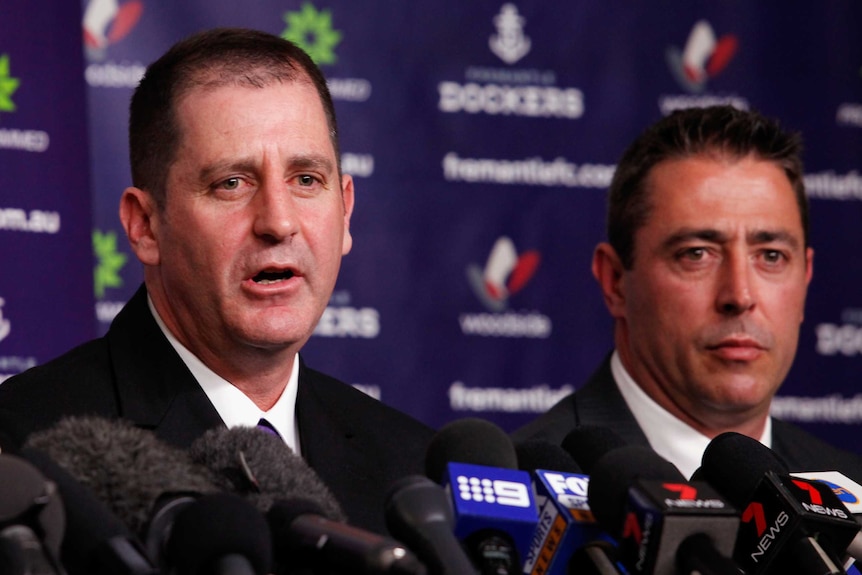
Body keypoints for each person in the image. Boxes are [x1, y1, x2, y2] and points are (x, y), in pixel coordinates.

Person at [0, 28, 433, 534]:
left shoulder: (418, 476)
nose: (279, 221)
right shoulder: (24, 455)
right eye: (231, 183)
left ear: (346, 211)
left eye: (306, 180)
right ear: (145, 225)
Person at [513, 105, 862, 480]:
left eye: (771, 257)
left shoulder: (851, 489)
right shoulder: (522, 498)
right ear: (615, 281)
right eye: (696, 254)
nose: (740, 295)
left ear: (805, 277)